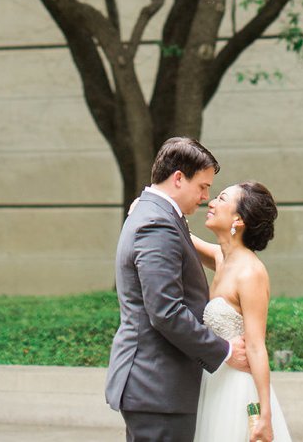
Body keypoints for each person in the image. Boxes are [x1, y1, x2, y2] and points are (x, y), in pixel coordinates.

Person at [105, 136, 249, 442]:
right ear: (179, 178)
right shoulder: (156, 223)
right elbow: (165, 311)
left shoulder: (159, 215)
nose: (206, 197)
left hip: (158, 388)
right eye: (203, 186)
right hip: (157, 387)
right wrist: (223, 351)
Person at [190, 181, 293, 442]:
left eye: (221, 198)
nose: (211, 202)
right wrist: (146, 205)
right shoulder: (221, 257)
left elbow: (256, 346)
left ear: (238, 218)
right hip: (213, 381)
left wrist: (266, 414)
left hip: (236, 389)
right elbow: (180, 236)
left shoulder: (251, 272)